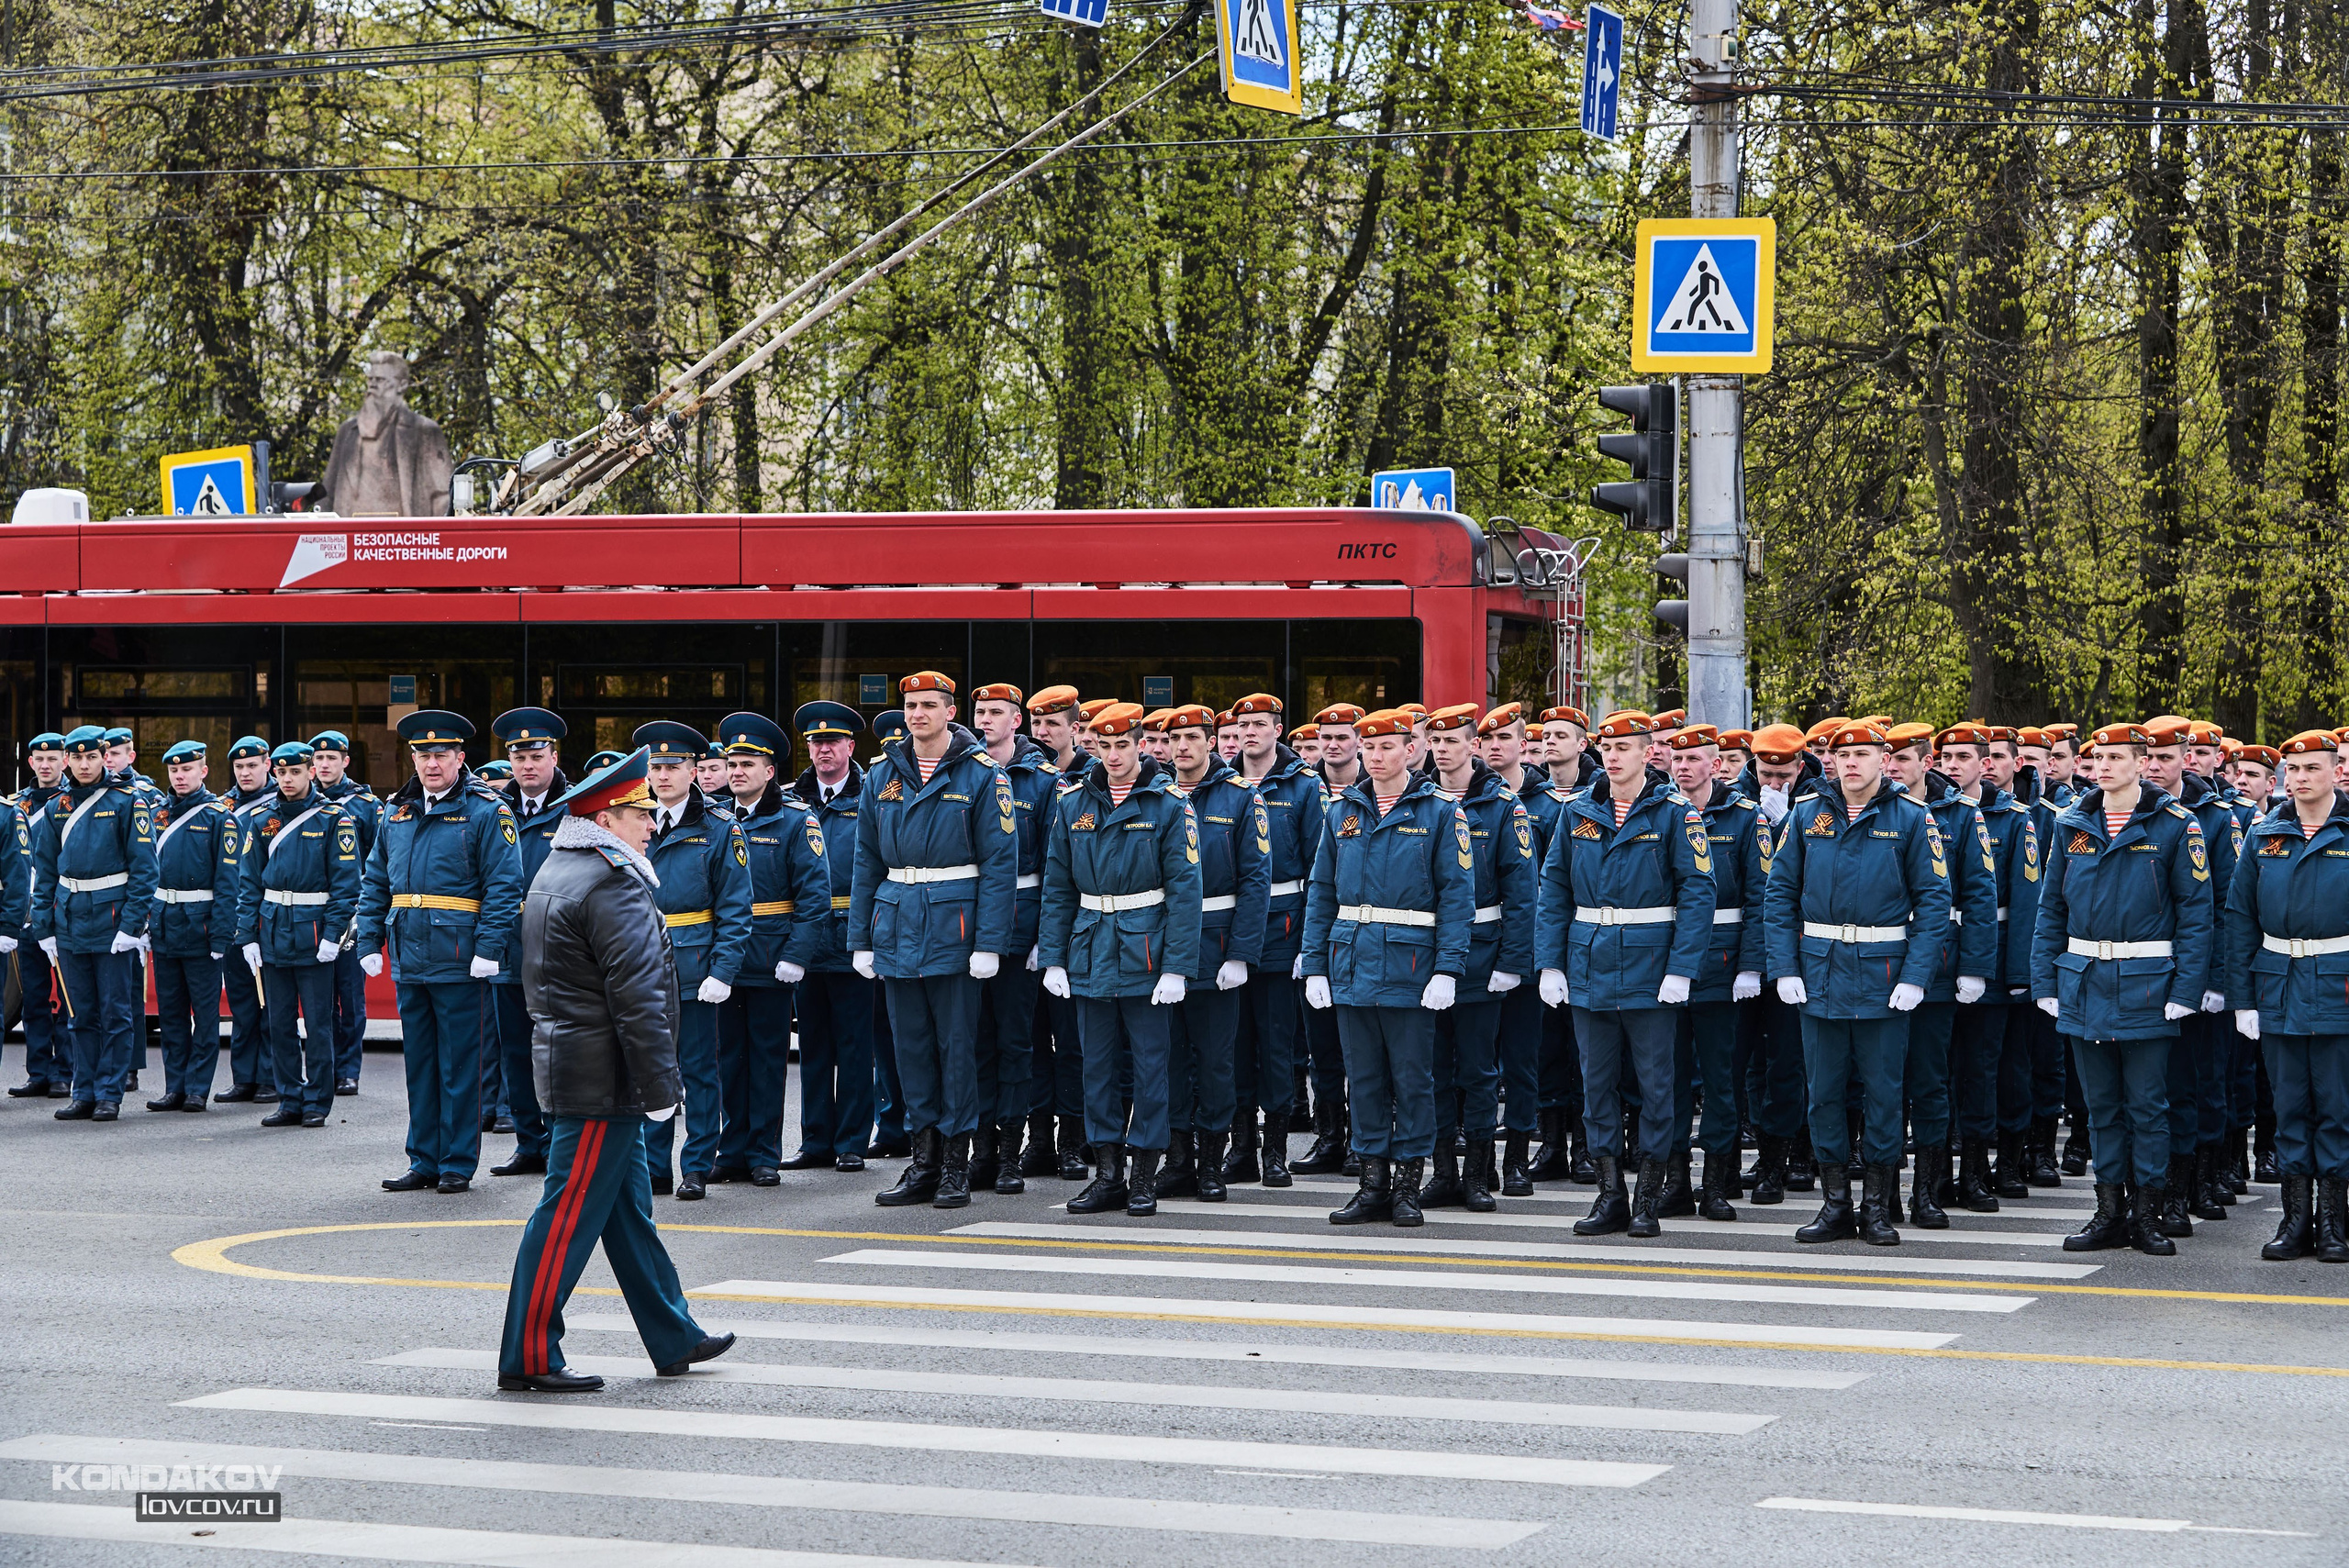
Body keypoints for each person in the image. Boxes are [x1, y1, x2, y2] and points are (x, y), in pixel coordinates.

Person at [496, 746, 735, 1395]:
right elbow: (638, 998)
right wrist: (663, 1089)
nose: (651, 823)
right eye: (638, 813)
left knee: (628, 1215)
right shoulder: (612, 881)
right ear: (605, 819)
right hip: (604, 1077)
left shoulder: (561, 866)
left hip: (580, 1064)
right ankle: (528, 1352)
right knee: (567, 1214)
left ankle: (673, 1332)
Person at [1764, 719, 1952, 1247]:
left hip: (1883, 976)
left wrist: (1917, 976)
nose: (1850, 764)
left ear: (1883, 761)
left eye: (1863, 755)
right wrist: (1784, 968)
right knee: (1822, 1095)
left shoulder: (1912, 818)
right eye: (1842, 756)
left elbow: (1934, 902)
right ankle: (1834, 1205)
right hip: (1819, 972)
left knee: (1884, 1096)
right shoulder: (1807, 815)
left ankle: (1876, 1207)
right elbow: (1779, 896)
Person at [2030, 722, 2215, 1255]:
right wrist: (2046, 979)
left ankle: (2149, 1214)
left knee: (2149, 1107)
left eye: (2118, 758)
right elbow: (2051, 910)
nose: (2105, 766)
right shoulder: (2071, 824)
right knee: (2101, 1107)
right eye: (2100, 758)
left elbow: (2196, 916)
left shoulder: (2176, 826)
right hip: (2085, 982)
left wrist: (2186, 988)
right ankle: (2108, 1211)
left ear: (2141, 763)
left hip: (2148, 986)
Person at [1536, 712, 1715, 1238]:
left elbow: (1698, 896)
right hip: (1590, 964)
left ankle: (1648, 1198)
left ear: (1646, 753)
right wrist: (1549, 963)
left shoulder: (1674, 814)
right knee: (1596, 1087)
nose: (1613, 757)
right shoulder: (1580, 813)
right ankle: (1610, 1194)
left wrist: (1682, 969)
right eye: (1607, 747)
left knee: (1657, 1088)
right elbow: (1555, 892)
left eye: (1625, 748)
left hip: (1651, 968)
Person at [850, 673, 1020, 1207]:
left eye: (928, 705)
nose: (916, 714)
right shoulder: (882, 775)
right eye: (910, 705)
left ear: (951, 712)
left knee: (957, 1050)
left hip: (955, 929)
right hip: (897, 925)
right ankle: (921, 1162)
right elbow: (866, 861)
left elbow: (999, 866)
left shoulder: (984, 777)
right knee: (911, 1051)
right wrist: (862, 938)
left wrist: (990, 942)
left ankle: (955, 1164)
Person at [1302, 708, 1475, 1227]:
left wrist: (1448, 968)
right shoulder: (1342, 810)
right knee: (1365, 1078)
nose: (1375, 757)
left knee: (1413, 1080)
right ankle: (1372, 1183)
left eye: (1387, 748)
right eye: (1369, 748)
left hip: (1411, 965)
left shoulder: (1441, 812)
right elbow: (1323, 893)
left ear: (1412, 751)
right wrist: (1315, 966)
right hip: (1351, 962)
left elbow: (1456, 896)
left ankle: (1406, 1185)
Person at [1039, 702, 1203, 1216]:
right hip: (1089, 947)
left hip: (1146, 949)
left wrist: (1177, 966)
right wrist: (1054, 958)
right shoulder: (1072, 803)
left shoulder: (1169, 804)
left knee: (1152, 1068)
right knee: (1098, 1068)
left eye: (1122, 746)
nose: (1112, 756)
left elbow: (1185, 889)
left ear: (1141, 745)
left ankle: (1144, 1176)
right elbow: (1058, 886)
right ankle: (1107, 1173)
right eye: (1102, 746)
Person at [353, 711, 525, 1194]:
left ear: (460, 758)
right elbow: (376, 881)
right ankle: (422, 1159)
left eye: (441, 755)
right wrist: (369, 939)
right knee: (421, 1065)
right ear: (413, 758)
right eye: (424, 755)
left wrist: (489, 947)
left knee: (460, 1067)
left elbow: (504, 884)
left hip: (460, 955)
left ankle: (456, 1162)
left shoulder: (487, 810)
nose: (432, 764)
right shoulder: (398, 810)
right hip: (411, 953)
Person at [2226, 730, 2349, 1261]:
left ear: (2334, 772)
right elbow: (2239, 919)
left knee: (2338, 1109)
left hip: (2339, 985)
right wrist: (2243, 998)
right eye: (2294, 770)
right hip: (2277, 984)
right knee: (2290, 1106)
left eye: (2313, 769)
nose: (2301, 779)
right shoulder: (2263, 836)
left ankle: (2335, 1225)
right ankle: (2295, 1220)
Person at [1415, 704, 1536, 1213]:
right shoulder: (1415, 801)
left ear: (1473, 746)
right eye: (1435, 742)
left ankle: (1479, 1173)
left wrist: (1512, 961)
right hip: (1422, 955)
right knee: (1433, 1069)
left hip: (1482, 957)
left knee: (1479, 1071)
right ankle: (1443, 1171)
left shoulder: (1502, 806)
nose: (1442, 750)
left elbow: (1522, 891)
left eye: (1452, 742)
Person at [1880, 722, 1997, 1229]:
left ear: (1926, 763)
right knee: (1880, 1084)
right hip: (1877, 964)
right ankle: (1880, 1194)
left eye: (1902, 760)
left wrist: (1973, 967)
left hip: (1938, 967)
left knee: (1930, 1082)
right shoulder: (1873, 809)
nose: (1891, 769)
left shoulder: (1962, 814)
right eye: (1887, 760)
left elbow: (1978, 894)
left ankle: (1926, 1191)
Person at [632, 721, 752, 1199]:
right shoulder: (631, 821)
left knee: (699, 1071)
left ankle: (698, 1164)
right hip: (641, 967)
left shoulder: (720, 828)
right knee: (650, 1070)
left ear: (694, 772)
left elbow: (735, 906)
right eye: (655, 767)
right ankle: (654, 1165)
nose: (663, 776)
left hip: (696, 967)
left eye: (673, 767)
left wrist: (723, 970)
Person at [1157, 703, 1268, 1200]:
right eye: (1173, 739)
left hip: (1216, 945)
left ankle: (1210, 1161)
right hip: (1159, 948)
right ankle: (1177, 1158)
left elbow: (1255, 882)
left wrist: (1241, 954)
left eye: (1192, 738)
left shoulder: (1241, 799)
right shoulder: (1154, 796)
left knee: (1216, 1061)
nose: (1182, 747)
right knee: (1168, 1059)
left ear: (1211, 742)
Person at [715, 711, 830, 1186]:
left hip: (770, 957)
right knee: (727, 1059)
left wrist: (797, 956)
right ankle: (732, 1149)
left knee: (766, 1058)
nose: (737, 771)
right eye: (732, 763)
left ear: (769, 771)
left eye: (747, 763)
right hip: (723, 959)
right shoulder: (716, 819)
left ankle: (763, 1151)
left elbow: (813, 895)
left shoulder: (796, 820)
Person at [1664, 723, 1767, 1221]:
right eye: (1677, 760)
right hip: (1665, 964)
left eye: (1694, 760)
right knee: (1670, 1077)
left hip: (1723, 966)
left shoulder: (1746, 818)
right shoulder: (1660, 811)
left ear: (1716, 764)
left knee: (1722, 1079)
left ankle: (1717, 1182)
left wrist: (1750, 965)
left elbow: (1760, 899)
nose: (1683, 768)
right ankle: (1676, 1180)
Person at [28, 725, 158, 1121]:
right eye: (77, 758)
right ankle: (82, 1091)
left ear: (105, 757)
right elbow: (45, 872)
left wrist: (131, 926)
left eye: (92, 757)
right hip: (68, 920)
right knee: (79, 1011)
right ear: (68, 761)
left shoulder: (127, 803)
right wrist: (43, 926)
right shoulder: (56, 807)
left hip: (112, 918)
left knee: (115, 1012)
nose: (84, 765)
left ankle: (109, 1093)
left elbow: (145, 871)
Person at [232, 740, 363, 1129]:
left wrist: (333, 935)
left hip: (314, 932)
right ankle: (289, 1097)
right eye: (282, 772)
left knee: (319, 1024)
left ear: (310, 772)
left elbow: (346, 886)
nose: (288, 779)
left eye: (296, 772)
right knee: (279, 1022)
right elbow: (248, 881)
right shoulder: (262, 820)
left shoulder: (333, 819)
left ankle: (318, 1101)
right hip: (273, 930)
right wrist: (247, 935)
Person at [1226, 693, 1322, 1188]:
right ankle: (1241, 1146)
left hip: (1282, 929)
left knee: (1277, 1046)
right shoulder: (1222, 783)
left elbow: (1317, 871)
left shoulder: (1304, 787)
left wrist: (1309, 942)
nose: (1249, 732)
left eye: (1260, 724)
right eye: (1242, 724)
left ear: (1278, 729)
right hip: (1229, 931)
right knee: (1235, 1045)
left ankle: (1277, 1150)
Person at [969, 683, 1059, 1191]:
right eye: (980, 712)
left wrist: (1046, 936)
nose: (986, 721)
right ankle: (979, 1148)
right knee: (975, 1042)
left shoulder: (1042, 780)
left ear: (1016, 721)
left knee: (1016, 1043)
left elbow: (1054, 865)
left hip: (1022, 926)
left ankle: (1009, 1149)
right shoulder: (967, 771)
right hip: (968, 920)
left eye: (996, 713)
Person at [785, 702, 877, 1173]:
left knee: (856, 1046)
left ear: (850, 747)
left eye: (832, 742)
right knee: (814, 1047)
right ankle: (815, 1140)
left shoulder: (872, 796)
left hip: (853, 938)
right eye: (816, 743)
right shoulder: (791, 801)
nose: (823, 749)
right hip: (806, 941)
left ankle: (853, 1141)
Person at [484, 707, 572, 1177]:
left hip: (558, 951)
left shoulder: (577, 809)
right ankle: (528, 1142)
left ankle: (560, 1139)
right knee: (515, 1052)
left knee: (556, 1052)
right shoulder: (493, 809)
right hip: (506, 949)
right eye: (519, 757)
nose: (527, 766)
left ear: (554, 757)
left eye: (537, 756)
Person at [147, 740, 240, 1112]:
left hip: (202, 927)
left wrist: (221, 933)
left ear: (203, 771)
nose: (180, 776)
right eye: (173, 771)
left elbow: (228, 882)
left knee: (204, 1015)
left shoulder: (220, 817)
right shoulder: (155, 816)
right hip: (166, 925)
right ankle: (175, 1086)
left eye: (187, 769)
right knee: (170, 1012)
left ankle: (198, 1088)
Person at [309, 731, 384, 1096]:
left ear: (345, 762)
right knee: (318, 998)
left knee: (350, 994)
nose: (324, 765)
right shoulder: (304, 803)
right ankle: (325, 1066)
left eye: (331, 759)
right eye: (318, 760)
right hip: (311, 914)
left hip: (351, 913)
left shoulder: (366, 806)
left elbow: (380, 861)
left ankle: (349, 1070)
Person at [212, 737, 281, 1105]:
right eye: (239, 767)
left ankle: (270, 1078)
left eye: (252, 765)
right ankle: (244, 1078)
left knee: (268, 1003)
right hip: (231, 918)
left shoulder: (278, 806)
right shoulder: (222, 807)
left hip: (266, 918)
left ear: (267, 764)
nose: (245, 772)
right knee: (240, 1002)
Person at [8, 733, 71, 1098]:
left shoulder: (72, 802)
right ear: (30, 763)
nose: (45, 765)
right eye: (38, 759)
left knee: (67, 998)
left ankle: (64, 1071)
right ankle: (38, 1071)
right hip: (27, 915)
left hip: (63, 913)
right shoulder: (17, 804)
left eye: (52, 758)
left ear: (64, 761)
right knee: (33, 996)